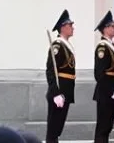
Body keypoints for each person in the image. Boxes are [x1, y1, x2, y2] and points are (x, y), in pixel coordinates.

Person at [46, 9, 76, 143]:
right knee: (53, 130)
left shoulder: (67, 45)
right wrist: (56, 93)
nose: (73, 28)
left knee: (57, 129)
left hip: (66, 91)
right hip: (59, 92)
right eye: (70, 25)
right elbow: (51, 71)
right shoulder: (57, 45)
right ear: (63, 27)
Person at [93, 10, 114, 143]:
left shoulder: (112, 46)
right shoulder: (102, 47)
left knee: (107, 128)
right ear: (105, 29)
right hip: (105, 93)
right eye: (112, 26)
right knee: (103, 128)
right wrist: (112, 91)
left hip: (113, 92)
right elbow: (100, 74)